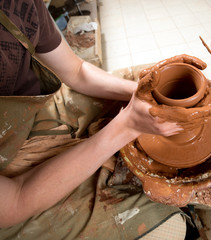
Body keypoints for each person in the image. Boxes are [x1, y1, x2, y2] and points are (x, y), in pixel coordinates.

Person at [0, 1, 190, 238]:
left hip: (36, 110)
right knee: (165, 225)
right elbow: (17, 199)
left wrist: (143, 93)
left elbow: (76, 71)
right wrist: (126, 127)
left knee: (156, 81)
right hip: (12, 190)